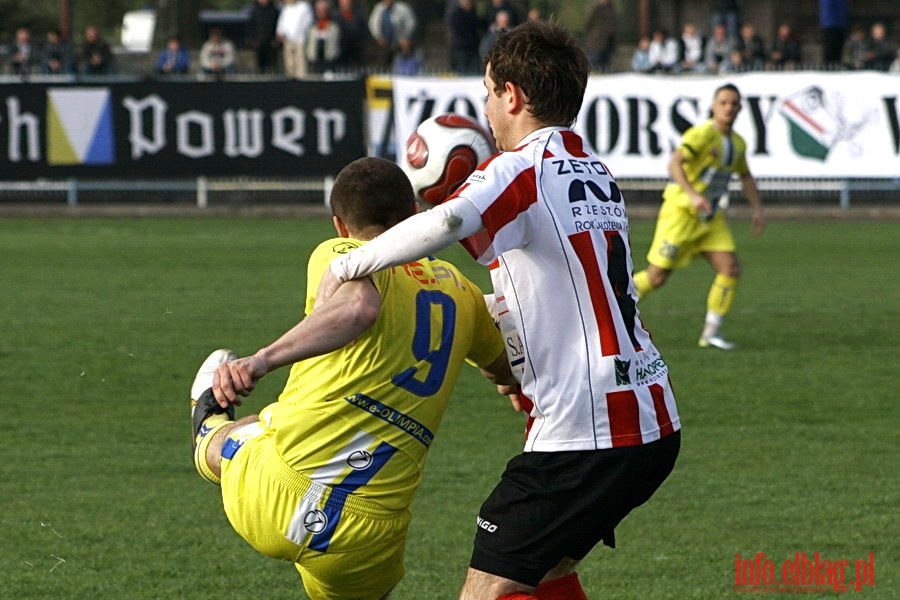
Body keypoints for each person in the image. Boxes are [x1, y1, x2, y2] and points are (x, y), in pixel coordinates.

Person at [317, 20, 681, 599]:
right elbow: (547, 286)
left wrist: (350, 264)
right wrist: (517, 362)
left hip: (585, 429)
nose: (486, 107)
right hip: (650, 417)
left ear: (512, 94)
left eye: (488, 91)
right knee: (550, 570)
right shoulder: (594, 171)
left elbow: (448, 221)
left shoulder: (521, 168)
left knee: (486, 588)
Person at [190, 156, 513, 600]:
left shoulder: (339, 253)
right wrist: (512, 383)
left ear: (340, 225)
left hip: (276, 490)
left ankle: (207, 427)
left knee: (241, 432)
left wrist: (260, 361)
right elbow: (506, 366)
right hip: (367, 535)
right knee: (273, 422)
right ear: (417, 218)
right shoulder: (462, 292)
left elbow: (359, 307)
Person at [633, 83, 765, 350]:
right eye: (723, 103)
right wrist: (692, 194)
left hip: (709, 218)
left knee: (730, 268)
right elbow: (674, 162)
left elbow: (746, 175)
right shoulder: (702, 134)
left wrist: (757, 209)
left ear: (740, 108)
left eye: (734, 103)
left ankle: (711, 333)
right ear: (714, 107)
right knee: (656, 277)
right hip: (681, 214)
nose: (729, 108)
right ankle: (606, 309)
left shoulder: (737, 143)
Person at [368, 0, 417, 70]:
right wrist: (378, 37)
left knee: (402, 60)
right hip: (383, 42)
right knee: (383, 63)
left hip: (400, 41)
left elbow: (411, 23)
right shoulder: (378, 8)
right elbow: (372, 24)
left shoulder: (402, 8)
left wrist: (404, 37)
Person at [277, 0, 315, 79]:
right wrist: (280, 32)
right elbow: (282, 21)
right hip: (288, 39)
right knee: (289, 61)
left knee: (300, 61)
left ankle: (301, 79)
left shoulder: (304, 7)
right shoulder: (286, 8)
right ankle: (290, 77)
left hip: (300, 39)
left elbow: (308, 22)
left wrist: (303, 34)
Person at [448, 0, 485, 75]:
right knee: (463, 69)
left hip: (473, 45)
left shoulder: (473, 13)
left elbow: (480, 24)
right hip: (461, 47)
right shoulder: (456, 14)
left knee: (475, 69)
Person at [306, 0, 342, 74]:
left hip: (330, 62)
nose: (321, 12)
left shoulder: (334, 26)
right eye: (319, 10)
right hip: (315, 63)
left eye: (323, 10)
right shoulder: (312, 27)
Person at [247, 0, 281, 74]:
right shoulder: (254, 10)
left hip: (271, 42)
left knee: (272, 64)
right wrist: (252, 40)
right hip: (258, 42)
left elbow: (278, 25)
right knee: (259, 64)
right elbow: (250, 26)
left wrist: (276, 39)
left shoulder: (274, 10)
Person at [334, 0, 369, 72]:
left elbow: (364, 33)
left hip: (356, 54)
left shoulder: (359, 16)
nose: (346, 4)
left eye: (348, 2)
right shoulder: (335, 17)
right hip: (340, 55)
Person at [583, 0, 616, 71]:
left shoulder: (610, 7)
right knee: (595, 65)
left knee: (606, 66)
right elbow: (588, 22)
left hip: (608, 41)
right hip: (596, 42)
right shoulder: (595, 7)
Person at [818, 0, 849, 67]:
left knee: (837, 49)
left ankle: (835, 64)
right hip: (830, 25)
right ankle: (830, 66)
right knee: (830, 50)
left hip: (839, 24)